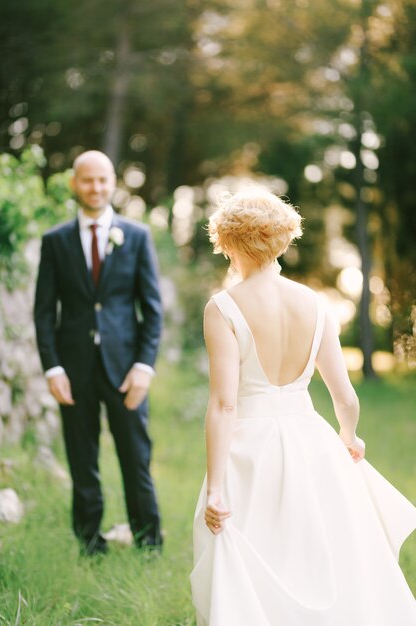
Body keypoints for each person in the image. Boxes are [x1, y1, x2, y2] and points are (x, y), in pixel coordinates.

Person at [191, 188, 416, 625]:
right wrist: (348, 437)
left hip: (248, 451)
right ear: (281, 239)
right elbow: (344, 397)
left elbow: (223, 404)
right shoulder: (315, 304)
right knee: (318, 557)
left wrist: (217, 486)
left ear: (231, 243)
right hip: (311, 442)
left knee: (253, 559)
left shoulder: (222, 308)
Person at [34, 150, 163, 556]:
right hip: (73, 371)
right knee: (81, 458)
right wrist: (53, 367)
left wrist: (144, 366)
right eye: (88, 180)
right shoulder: (55, 241)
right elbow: (43, 312)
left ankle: (149, 544)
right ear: (75, 184)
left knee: (136, 458)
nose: (96, 187)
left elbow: (152, 310)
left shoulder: (138, 236)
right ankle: (90, 543)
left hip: (126, 369)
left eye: (103, 180)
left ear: (113, 182)